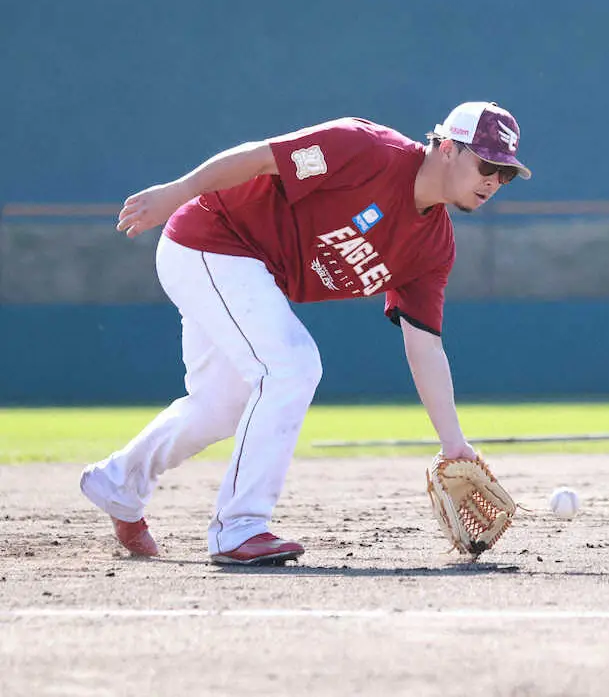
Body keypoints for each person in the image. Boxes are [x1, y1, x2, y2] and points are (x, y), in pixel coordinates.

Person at [79, 102, 531, 565]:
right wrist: (180, 190)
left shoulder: (432, 248)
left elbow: (425, 344)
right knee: (292, 366)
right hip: (209, 238)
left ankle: (117, 483)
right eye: (488, 164)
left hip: (247, 273)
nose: (494, 181)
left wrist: (454, 443)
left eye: (506, 173)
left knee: (220, 407)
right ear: (450, 149)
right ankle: (239, 527)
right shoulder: (366, 149)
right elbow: (260, 157)